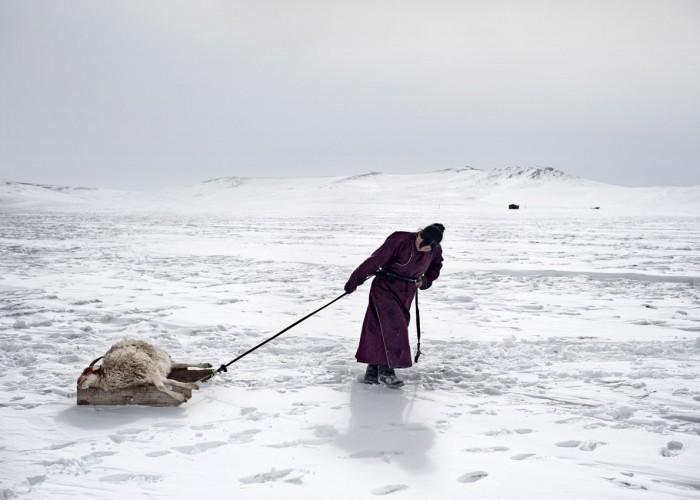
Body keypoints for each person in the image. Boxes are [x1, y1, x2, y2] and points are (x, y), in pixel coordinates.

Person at [344, 223, 444, 387]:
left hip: (407, 291)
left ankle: (372, 371)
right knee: (394, 327)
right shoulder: (400, 240)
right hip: (385, 287)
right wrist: (354, 281)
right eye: (423, 246)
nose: (425, 251)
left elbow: (436, 264)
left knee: (381, 329)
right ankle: (386, 371)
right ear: (420, 236)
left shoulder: (434, 248)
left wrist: (425, 280)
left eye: (429, 250)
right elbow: (375, 261)